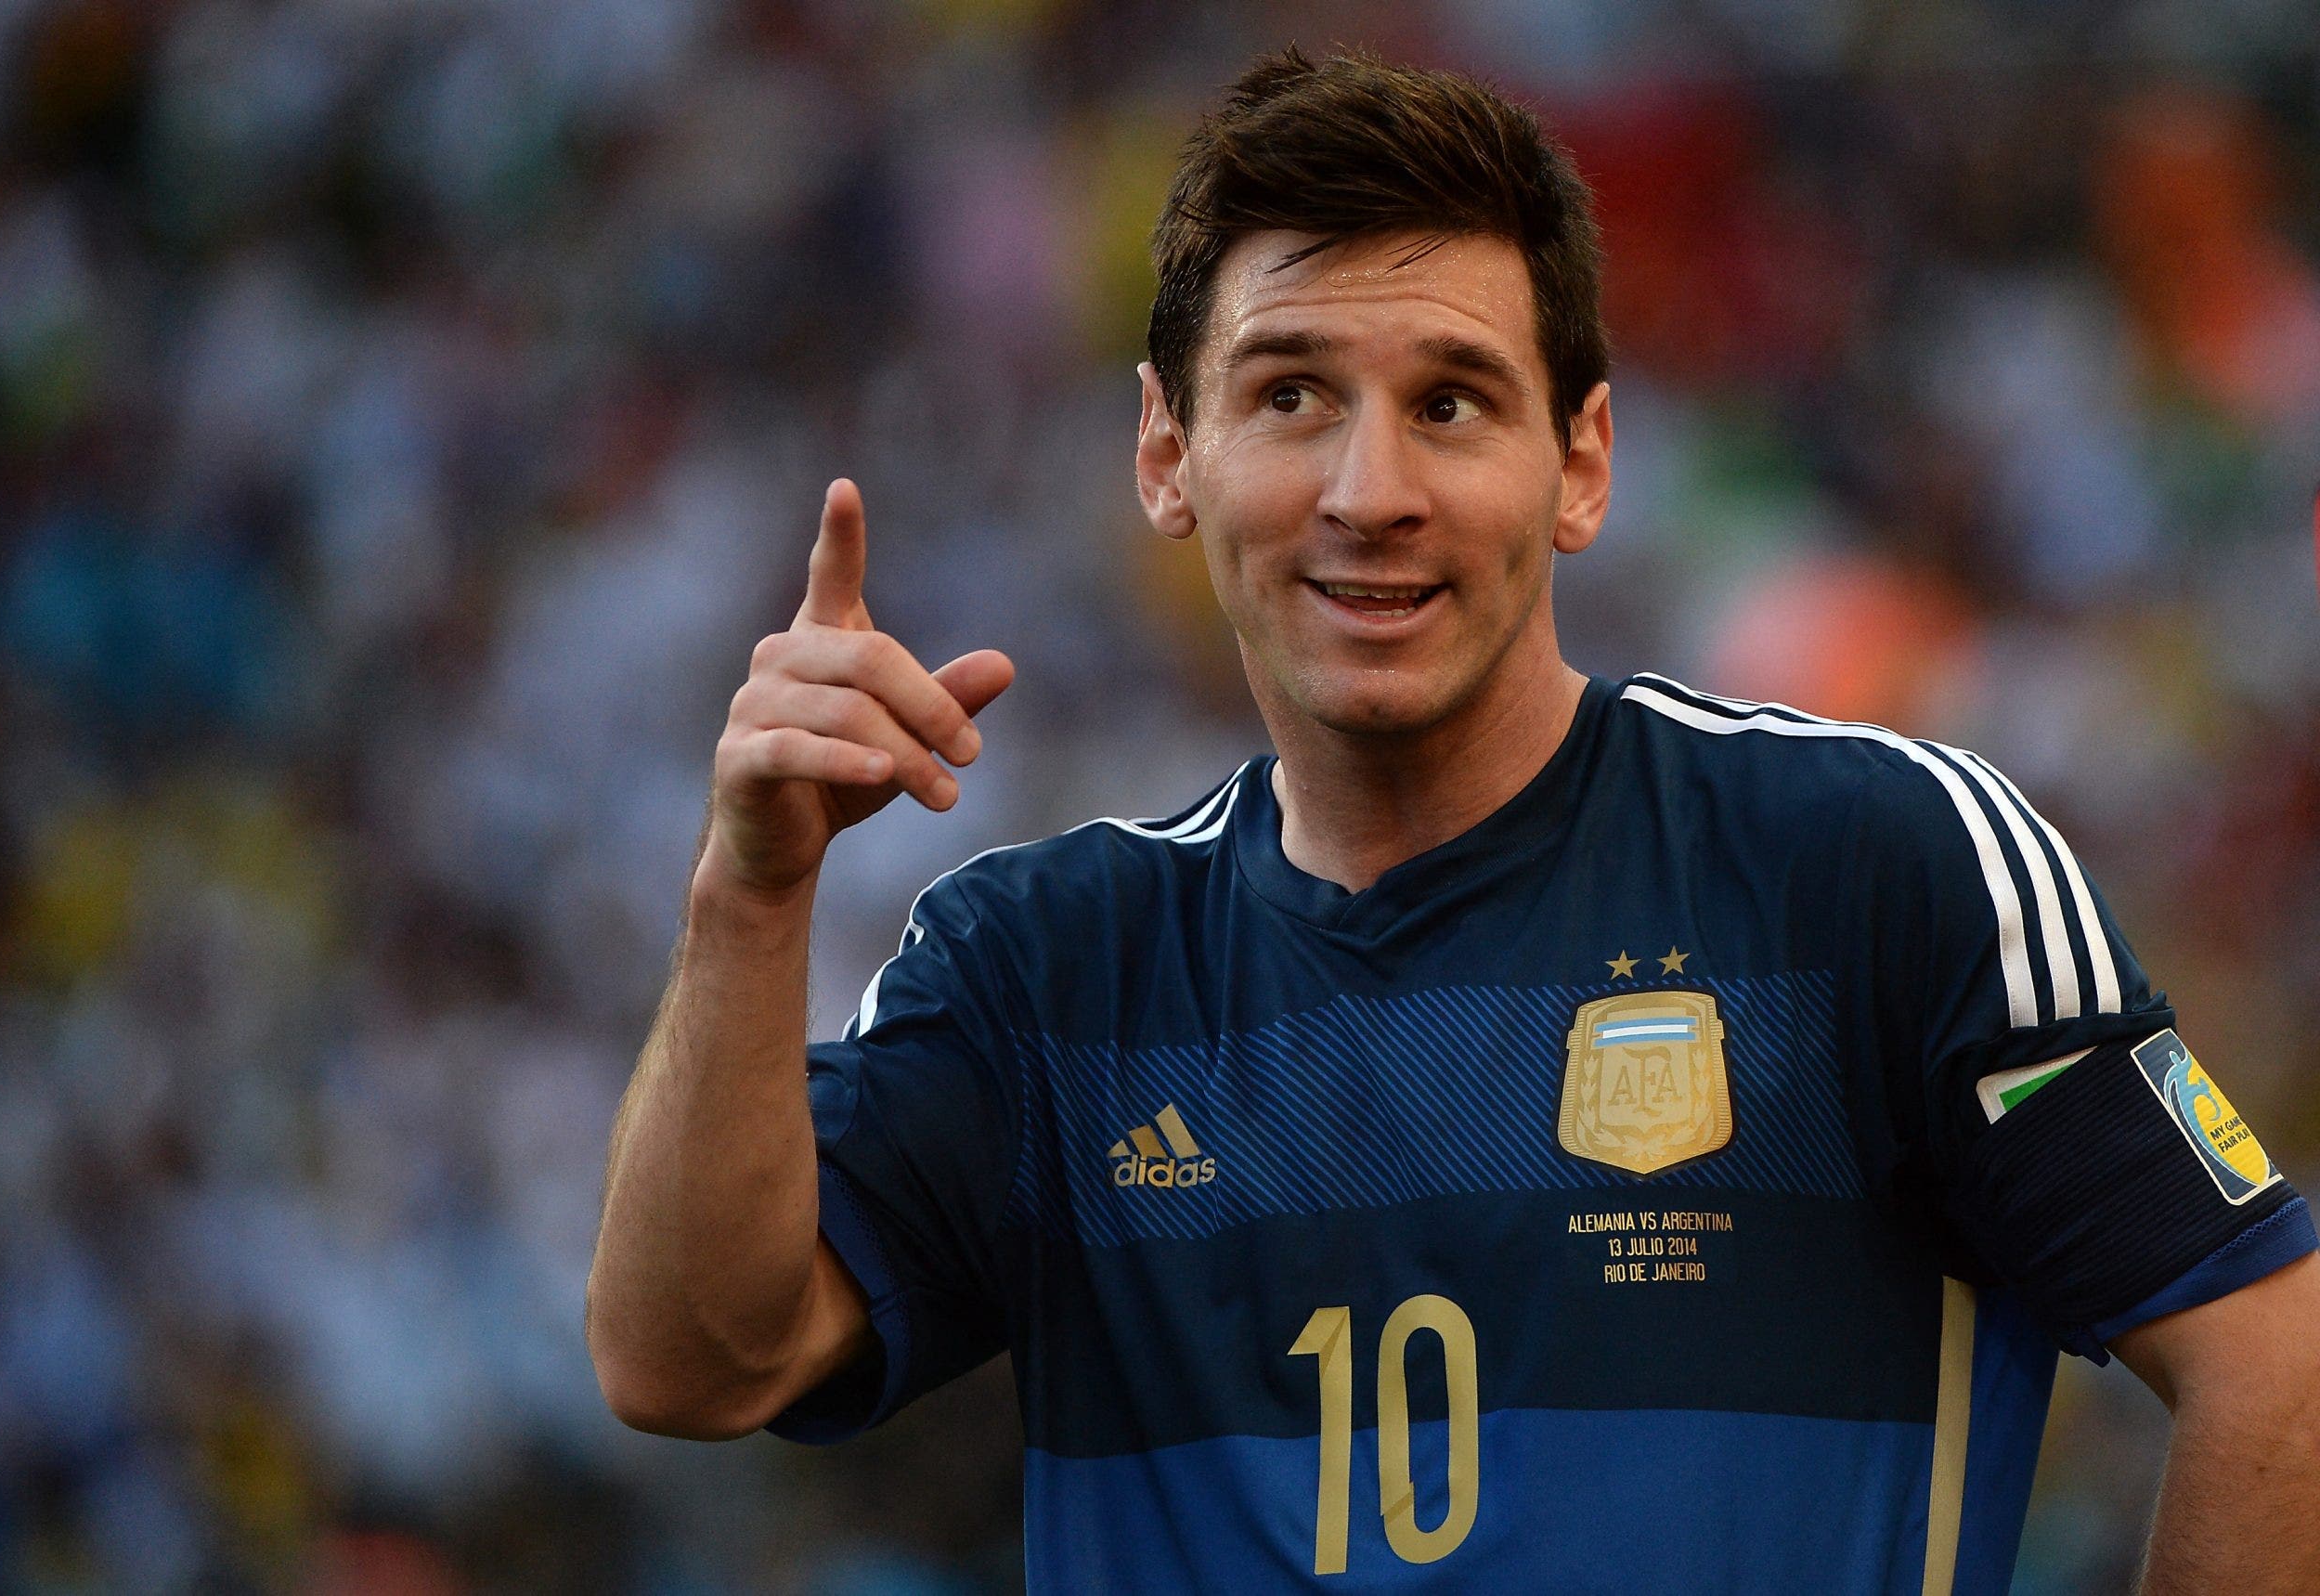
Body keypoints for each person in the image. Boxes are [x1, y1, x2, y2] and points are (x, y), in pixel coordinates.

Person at [586, 47, 2320, 1593]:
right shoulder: (1041, 969)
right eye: (1290, 395)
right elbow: (691, 1362)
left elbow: (2276, 1362)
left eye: (1451, 403)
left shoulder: (1877, 862)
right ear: (1167, 453)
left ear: (1581, 463)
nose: (1372, 493)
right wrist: (750, 896)